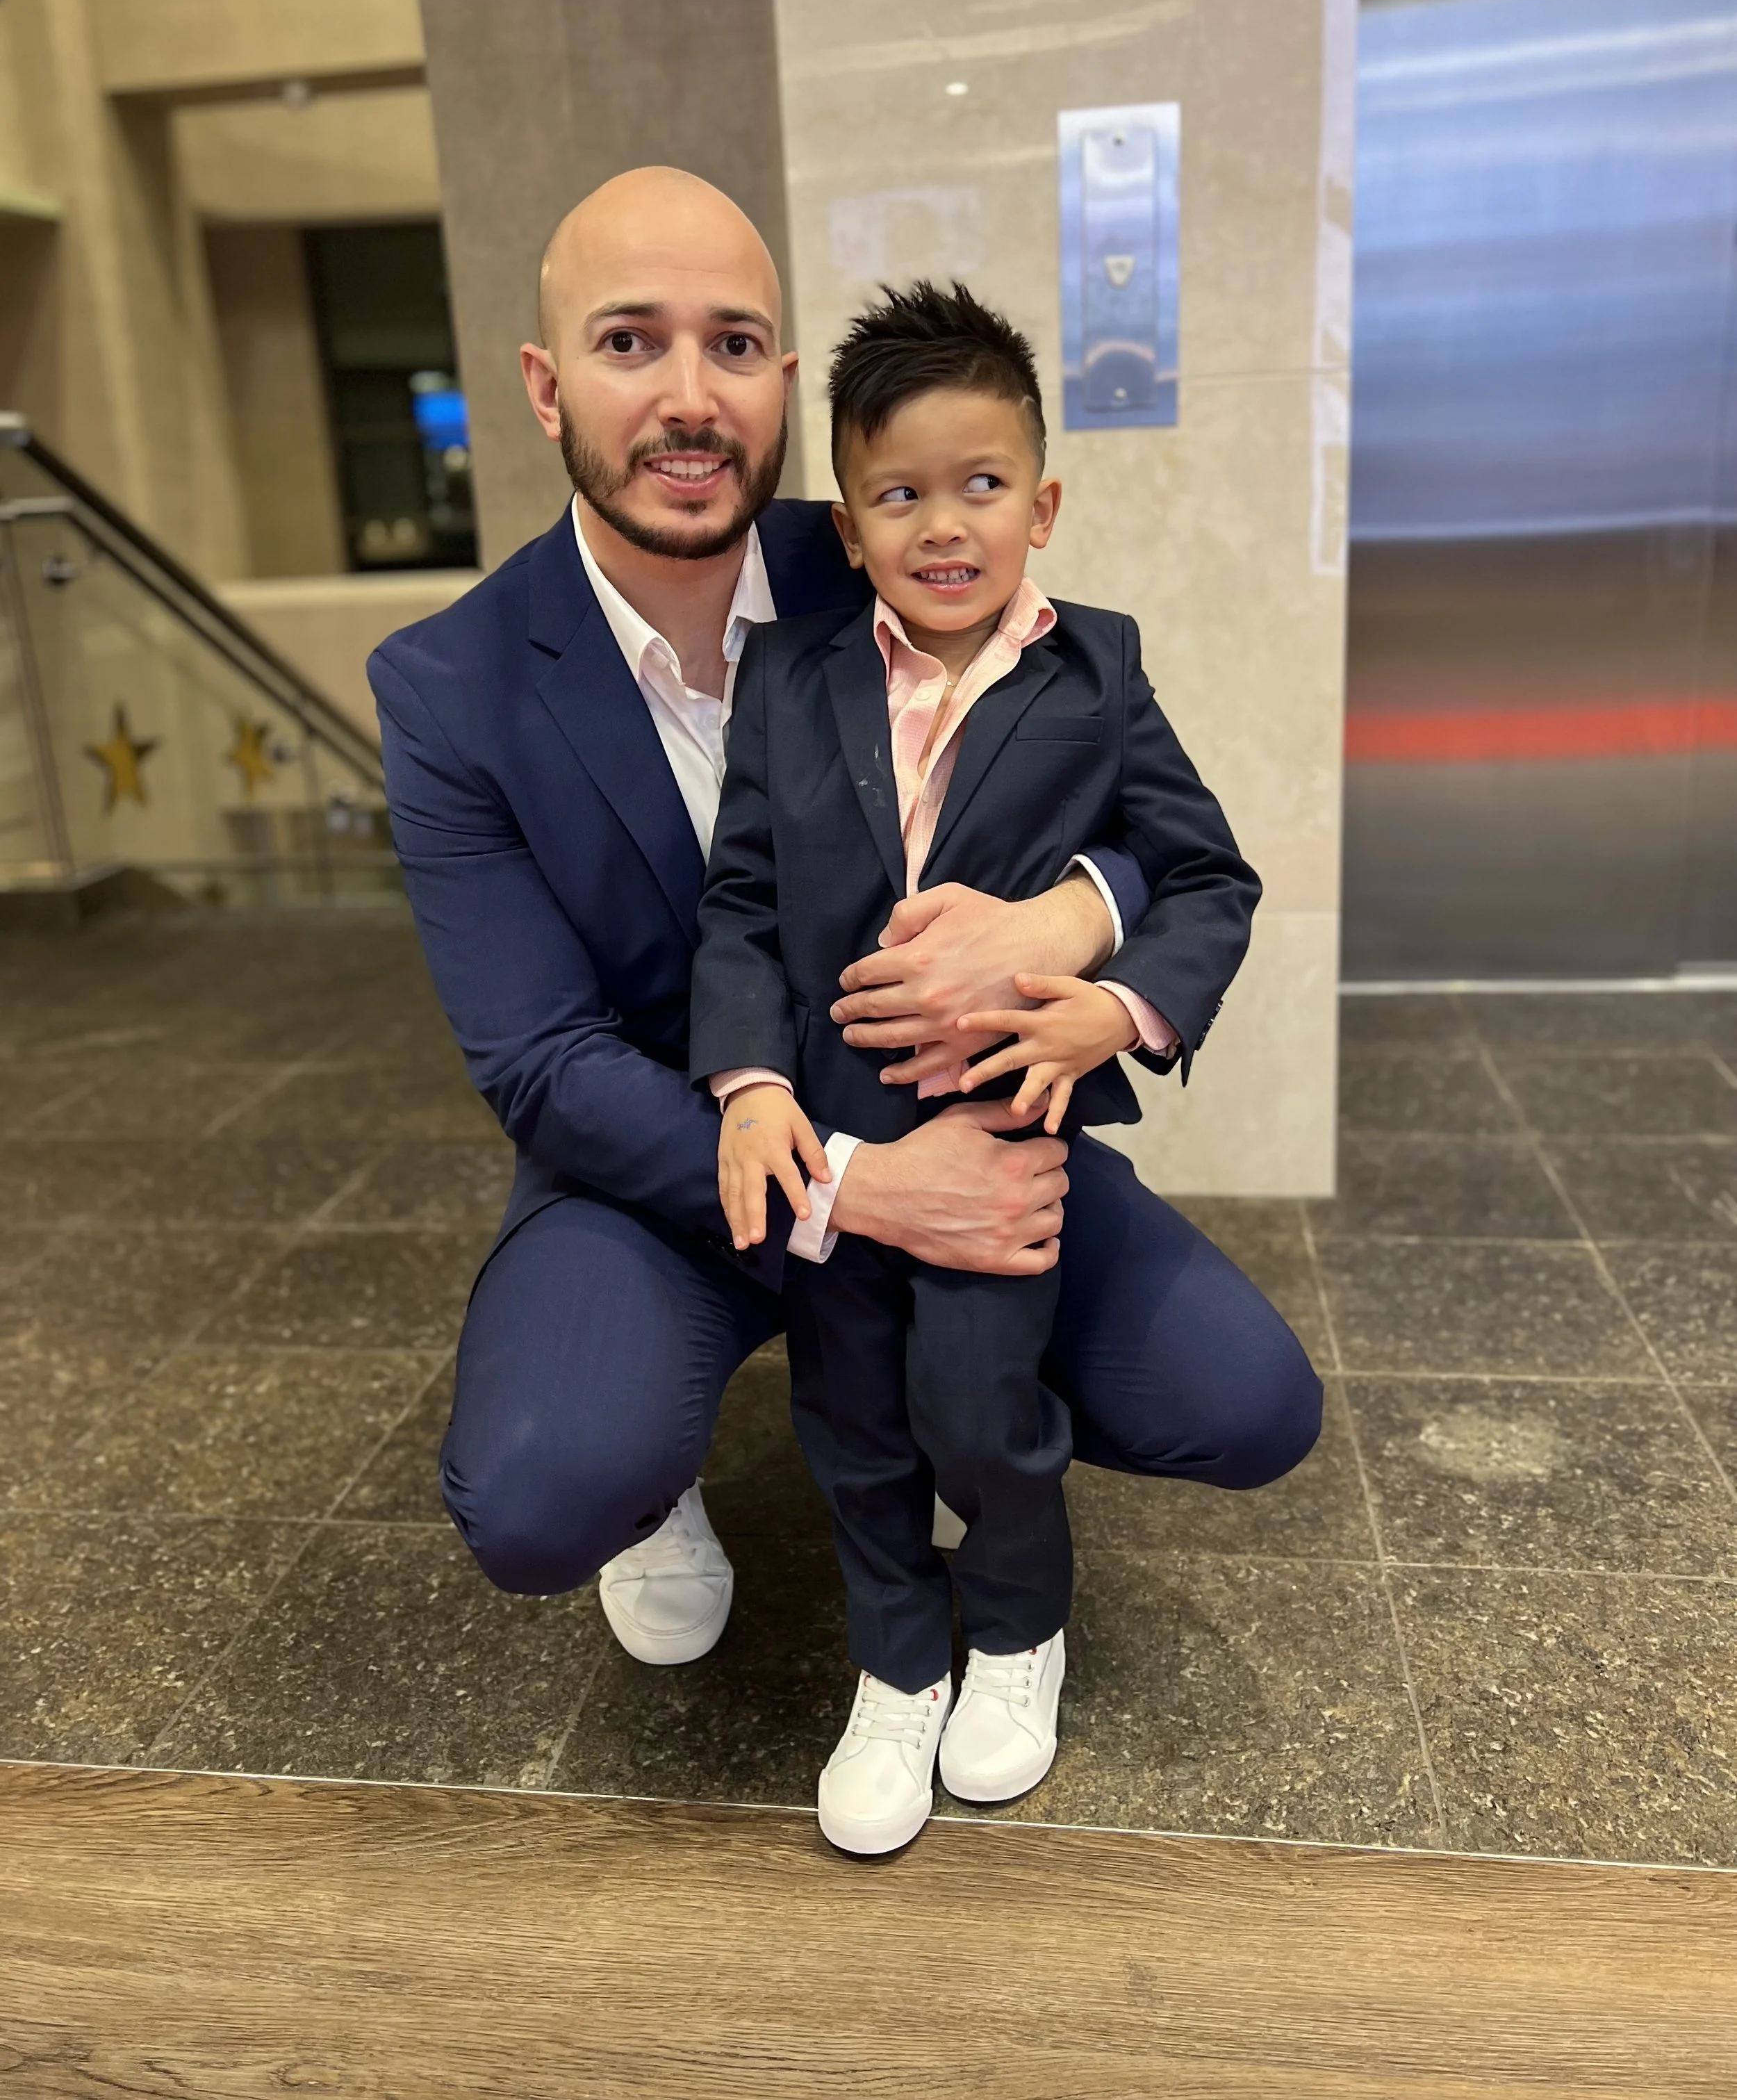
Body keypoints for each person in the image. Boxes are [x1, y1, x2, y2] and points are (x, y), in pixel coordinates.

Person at [368, 167, 1320, 1707]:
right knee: (544, 1490)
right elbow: (538, 1061)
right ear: (545, 388)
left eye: (733, 344)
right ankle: (650, 1464)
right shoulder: (449, 685)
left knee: (1245, 1402)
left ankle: (961, 1419)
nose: (688, 396)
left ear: (785, 384)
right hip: (662, 1169)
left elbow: (1138, 803)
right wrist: (871, 1195)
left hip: (932, 1100)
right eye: (631, 342)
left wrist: (1066, 919)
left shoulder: (892, 536)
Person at [691, 282, 1260, 1853]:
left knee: (980, 1398)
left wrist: (1113, 1006)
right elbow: (738, 902)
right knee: (851, 1408)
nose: (943, 526)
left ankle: (1013, 1632)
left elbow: (1203, 876)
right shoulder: (790, 682)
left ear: (1042, 501)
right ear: (851, 527)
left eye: (979, 485)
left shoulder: (1096, 674)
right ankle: (895, 1660)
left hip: (1007, 1126)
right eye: (897, 495)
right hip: (834, 1143)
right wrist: (748, 1083)